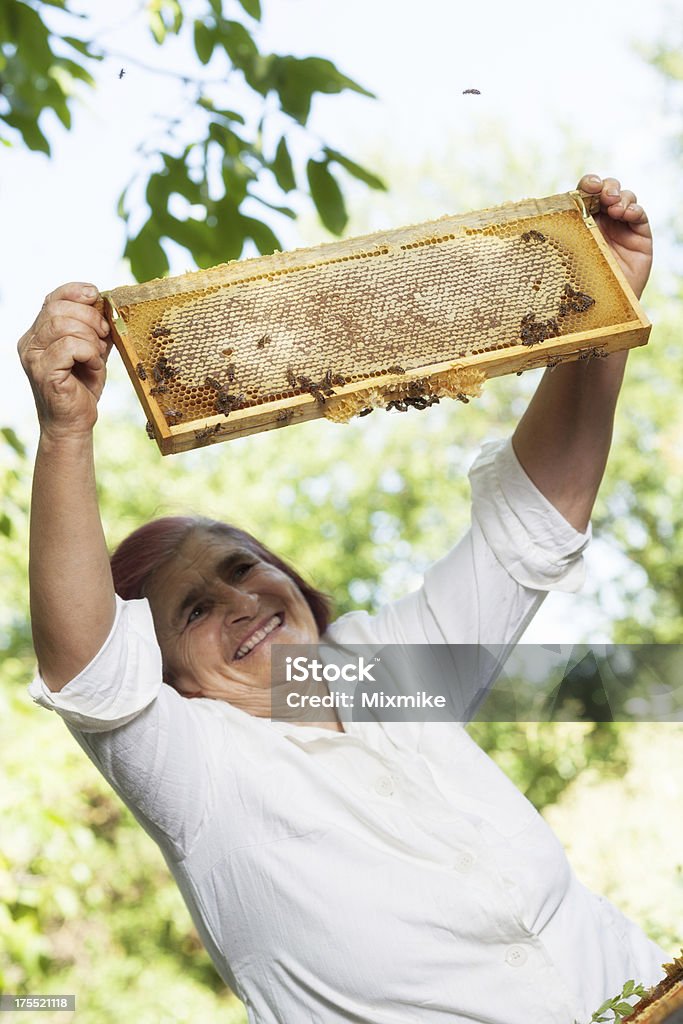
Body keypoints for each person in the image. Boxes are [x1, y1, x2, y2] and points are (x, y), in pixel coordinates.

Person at [19, 174, 666, 1024]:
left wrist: (600, 305)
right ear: (163, 669)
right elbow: (88, 665)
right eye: (194, 610)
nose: (238, 600)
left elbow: (529, 525)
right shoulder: (196, 770)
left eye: (242, 566)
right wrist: (66, 432)